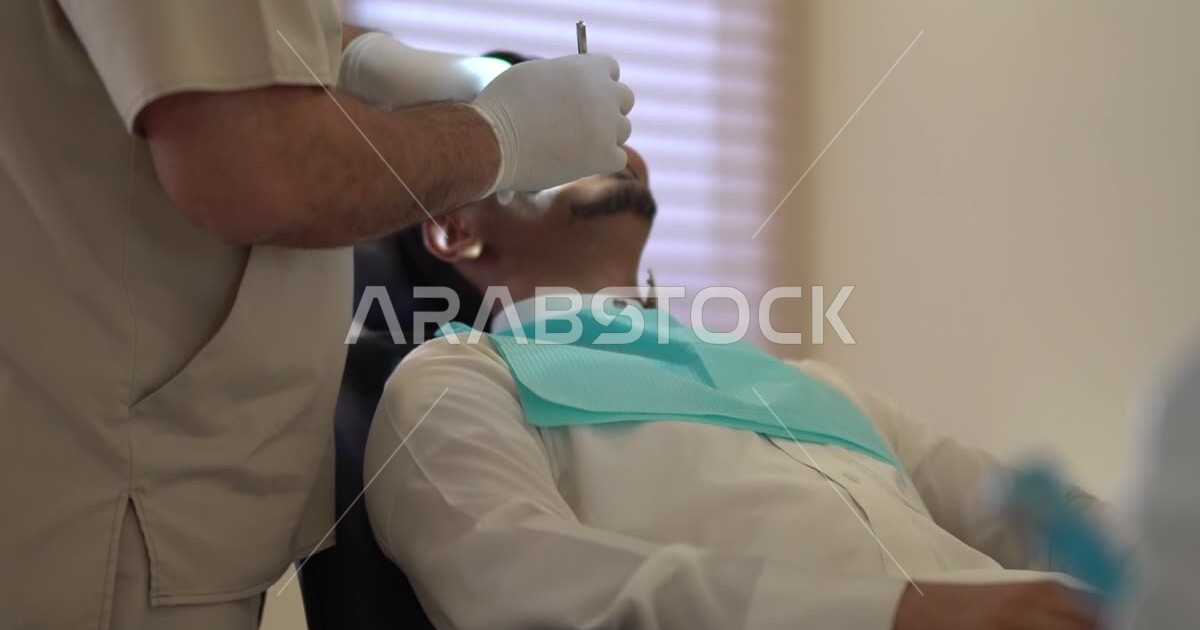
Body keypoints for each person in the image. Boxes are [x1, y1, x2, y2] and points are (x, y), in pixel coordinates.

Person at [0, 2, 632, 628]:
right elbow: (251, 161)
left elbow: (234, 43)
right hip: (116, 511)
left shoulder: (725, 361)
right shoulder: (455, 392)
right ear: (453, 232)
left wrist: (367, 60)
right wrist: (501, 136)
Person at [365, 140, 1111, 629]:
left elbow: (1035, 517)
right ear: (453, 228)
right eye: (550, 126)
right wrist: (900, 615)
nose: (603, 137)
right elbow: (527, 591)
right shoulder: (458, 382)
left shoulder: (811, 383)